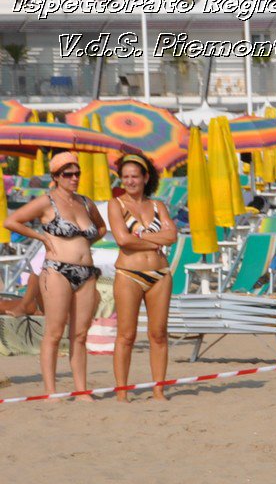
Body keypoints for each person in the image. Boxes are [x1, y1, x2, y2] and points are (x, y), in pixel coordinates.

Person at [4, 152, 105, 399]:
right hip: (57, 270)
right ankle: (51, 391)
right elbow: (11, 221)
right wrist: (41, 237)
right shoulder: (46, 202)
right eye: (67, 174)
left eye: (77, 173)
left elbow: (100, 227)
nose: (74, 178)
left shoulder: (85, 202)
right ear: (56, 177)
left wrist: (84, 242)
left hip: (86, 273)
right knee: (54, 331)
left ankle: (82, 390)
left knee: (80, 334)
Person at [108, 153, 178, 403]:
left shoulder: (158, 205)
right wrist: (152, 240)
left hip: (160, 274)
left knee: (159, 334)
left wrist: (140, 238)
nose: (129, 181)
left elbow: (172, 237)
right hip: (129, 273)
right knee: (126, 335)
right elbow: (122, 239)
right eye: (125, 177)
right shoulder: (116, 204)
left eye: (134, 176)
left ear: (146, 177)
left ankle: (158, 390)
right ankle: (122, 392)